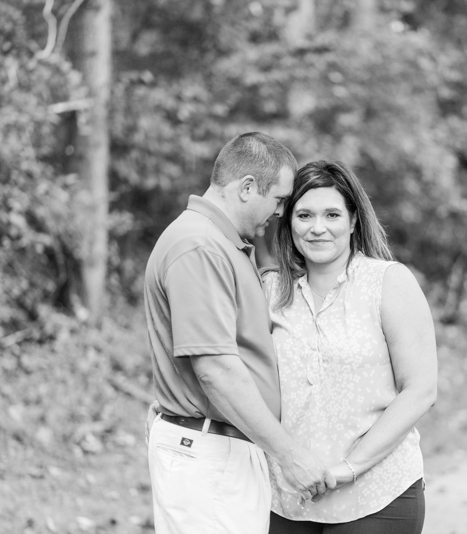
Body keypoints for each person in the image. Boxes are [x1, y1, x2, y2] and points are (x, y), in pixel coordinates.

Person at [143, 133, 335, 534]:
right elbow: (215, 370)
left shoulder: (220, 243)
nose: (282, 212)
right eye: (279, 200)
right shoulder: (200, 246)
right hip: (211, 454)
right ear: (248, 188)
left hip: (221, 450)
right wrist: (288, 454)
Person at [262, 160, 438, 534]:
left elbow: (420, 389)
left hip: (377, 495)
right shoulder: (271, 291)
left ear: (354, 220)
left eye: (332, 214)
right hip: (287, 498)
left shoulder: (388, 283)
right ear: (289, 221)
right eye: (305, 215)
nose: (318, 228)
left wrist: (351, 466)